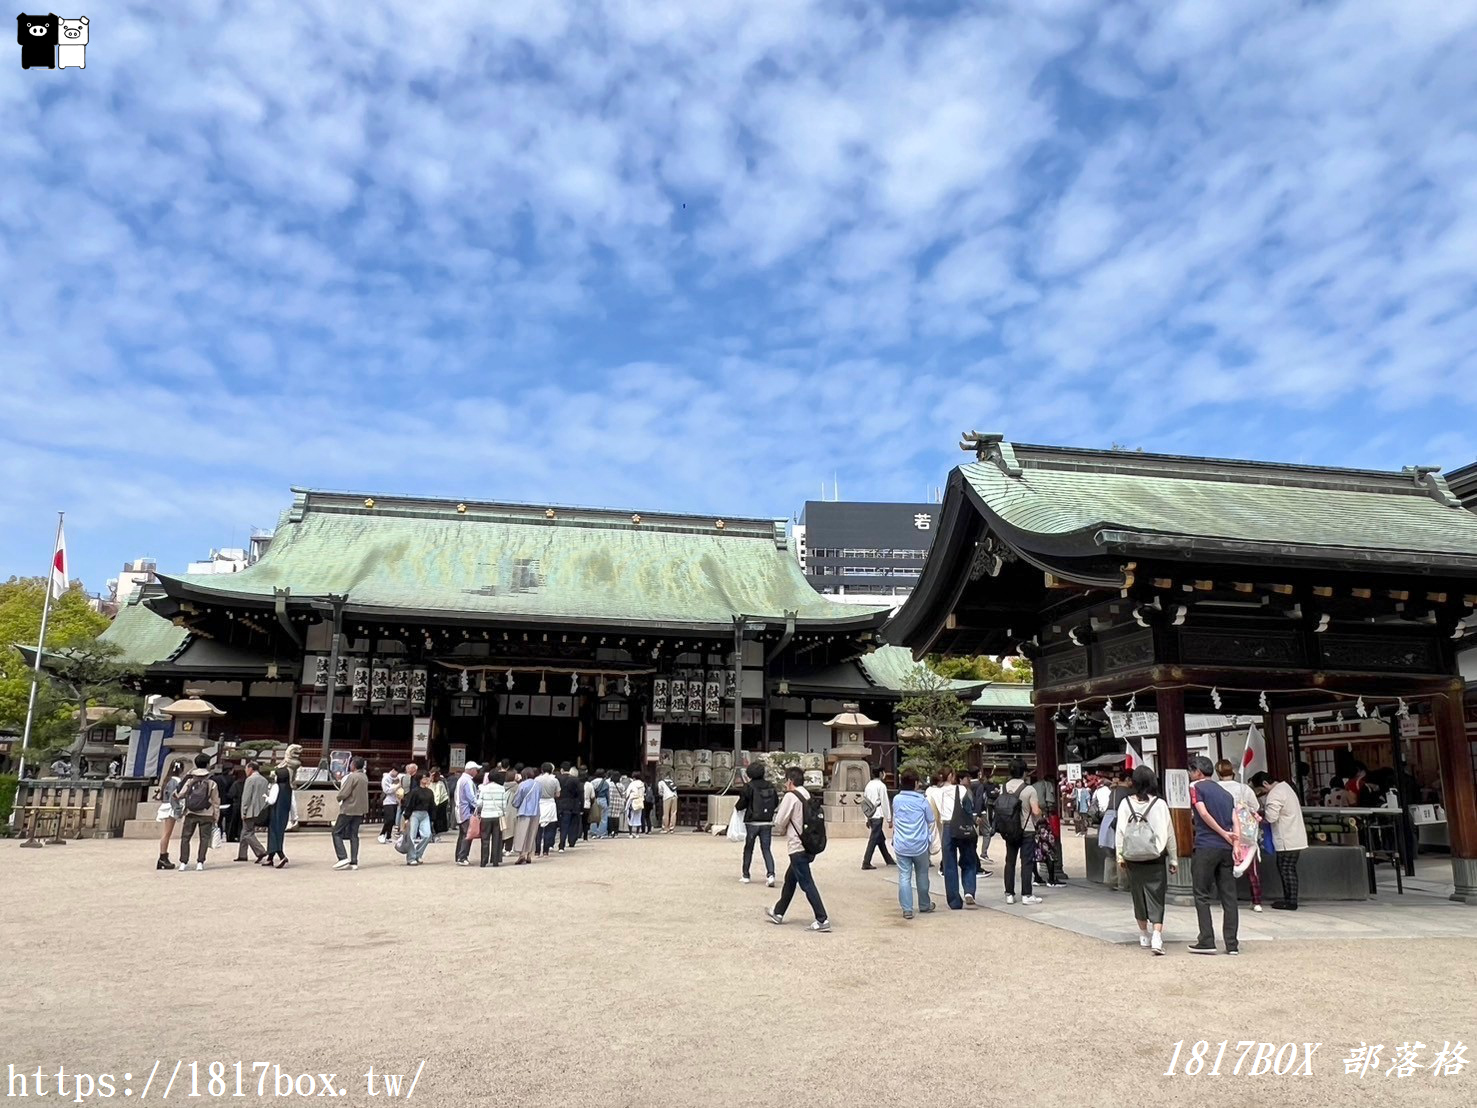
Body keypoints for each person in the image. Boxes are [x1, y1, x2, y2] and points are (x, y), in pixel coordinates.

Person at [1116, 766, 1175, 955]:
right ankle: (1157, 935)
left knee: (1138, 895)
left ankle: (1143, 934)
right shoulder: (1160, 804)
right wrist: (1173, 858)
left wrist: (1120, 855)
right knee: (1157, 895)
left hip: (1132, 856)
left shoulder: (1125, 803)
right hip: (1155, 855)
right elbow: (1169, 833)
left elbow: (1120, 831)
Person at [765, 767, 830, 932]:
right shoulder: (807, 795)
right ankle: (778, 912)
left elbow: (780, 821)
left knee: (806, 883)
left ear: (789, 781)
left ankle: (822, 918)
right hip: (809, 844)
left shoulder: (791, 796)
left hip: (797, 845)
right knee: (790, 879)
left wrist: (780, 829)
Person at [1188, 755, 1239, 955]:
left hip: (1206, 845)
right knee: (1229, 896)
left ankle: (1207, 939)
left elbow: (1203, 813)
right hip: (1226, 849)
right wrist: (1234, 842)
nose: (1190, 775)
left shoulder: (1196, 787)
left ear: (1198, 772)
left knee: (1201, 894)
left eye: (1191, 771)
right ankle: (1232, 943)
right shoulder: (1225, 793)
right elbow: (1236, 819)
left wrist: (1221, 832)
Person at [1251, 771, 1308, 911]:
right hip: (1295, 836)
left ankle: (1291, 901)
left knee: (1286, 869)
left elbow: (1271, 818)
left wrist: (1259, 816)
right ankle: (1289, 899)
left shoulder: (1275, 794)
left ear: (1265, 783)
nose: (1261, 792)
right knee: (1289, 868)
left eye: (1261, 789)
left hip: (1286, 838)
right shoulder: (1285, 787)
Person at [1215, 758, 1263, 911]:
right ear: (1233, 772)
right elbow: (1255, 806)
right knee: (1252, 869)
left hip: (1224, 831)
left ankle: (1227, 901)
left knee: (1224, 869)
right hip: (1245, 833)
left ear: (1217, 772)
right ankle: (1256, 901)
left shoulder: (1214, 788)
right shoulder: (1244, 789)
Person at [891, 770, 936, 919]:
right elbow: (930, 820)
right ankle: (924, 905)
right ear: (916, 784)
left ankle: (907, 909)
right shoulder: (922, 800)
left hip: (902, 843)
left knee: (904, 876)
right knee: (922, 874)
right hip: (920, 844)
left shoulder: (897, 799)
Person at [999, 759, 1043, 906]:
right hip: (1026, 829)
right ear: (1024, 772)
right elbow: (1036, 811)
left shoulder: (1003, 788)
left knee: (1010, 862)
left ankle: (1009, 894)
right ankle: (1026, 894)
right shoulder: (1029, 789)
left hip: (1009, 830)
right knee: (1026, 862)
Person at [938, 769, 982, 909]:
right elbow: (969, 809)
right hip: (962, 826)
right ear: (950, 776)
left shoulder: (935, 792)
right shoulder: (962, 789)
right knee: (968, 860)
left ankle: (954, 901)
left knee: (949, 864)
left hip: (947, 826)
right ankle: (969, 890)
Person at [735, 762, 778, 886]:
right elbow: (775, 802)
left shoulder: (748, 787)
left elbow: (742, 802)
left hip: (752, 821)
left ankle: (746, 874)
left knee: (748, 848)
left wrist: (737, 808)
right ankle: (771, 874)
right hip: (767, 821)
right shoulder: (770, 786)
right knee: (766, 849)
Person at [175, 753, 220, 872]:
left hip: (191, 812)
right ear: (207, 764)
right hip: (206, 813)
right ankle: (200, 862)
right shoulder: (211, 783)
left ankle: (183, 862)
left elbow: (181, 794)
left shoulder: (190, 780)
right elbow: (216, 801)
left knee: (186, 838)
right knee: (204, 838)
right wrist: (216, 816)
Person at [332, 755, 369, 871]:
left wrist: (339, 798)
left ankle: (342, 857)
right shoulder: (364, 777)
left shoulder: (352, 777)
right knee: (354, 834)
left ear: (353, 765)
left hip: (348, 808)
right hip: (360, 809)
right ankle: (354, 861)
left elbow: (344, 792)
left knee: (336, 832)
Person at [153, 759, 186, 870]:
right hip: (171, 807)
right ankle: (163, 857)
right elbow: (174, 797)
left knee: (166, 833)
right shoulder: (176, 781)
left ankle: (163, 857)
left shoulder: (168, 779)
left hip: (166, 805)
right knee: (166, 834)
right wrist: (178, 810)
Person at [861, 764, 894, 870]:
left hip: (870, 815)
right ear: (880, 773)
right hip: (877, 814)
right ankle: (866, 861)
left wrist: (866, 818)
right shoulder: (881, 786)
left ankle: (888, 859)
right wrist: (889, 818)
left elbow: (865, 803)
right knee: (873, 839)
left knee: (880, 839)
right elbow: (885, 802)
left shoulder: (868, 785)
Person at [235, 760, 269, 864]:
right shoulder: (264, 780)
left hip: (251, 809)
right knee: (245, 831)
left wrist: (243, 811)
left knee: (247, 833)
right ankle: (242, 854)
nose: (245, 770)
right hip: (261, 809)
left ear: (250, 769)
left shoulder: (250, 780)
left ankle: (260, 851)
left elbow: (246, 798)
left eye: (246, 768)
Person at [402, 772, 436, 865]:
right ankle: (411, 857)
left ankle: (418, 853)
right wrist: (406, 817)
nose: (427, 779)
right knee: (412, 836)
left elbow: (432, 806)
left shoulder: (430, 792)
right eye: (424, 778)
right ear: (420, 779)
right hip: (415, 814)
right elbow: (409, 804)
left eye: (427, 778)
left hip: (425, 814)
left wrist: (433, 818)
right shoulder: (414, 791)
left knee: (427, 835)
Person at [264, 765, 294, 869]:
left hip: (275, 812)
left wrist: (266, 797)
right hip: (284, 814)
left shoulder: (276, 787)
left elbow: (272, 800)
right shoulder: (289, 788)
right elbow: (293, 804)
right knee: (279, 834)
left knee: (273, 835)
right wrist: (294, 817)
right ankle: (270, 858)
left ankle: (282, 856)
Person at [510, 768, 541, 865]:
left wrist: (515, 804)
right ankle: (529, 854)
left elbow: (517, 800)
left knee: (522, 833)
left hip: (524, 811)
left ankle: (522, 854)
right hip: (536, 811)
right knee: (532, 833)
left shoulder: (522, 785)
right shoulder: (538, 785)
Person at [478, 769, 508, 868]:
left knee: (485, 839)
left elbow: (479, 804)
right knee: (496, 839)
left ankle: (483, 861)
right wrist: (503, 813)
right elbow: (504, 805)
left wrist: (479, 811)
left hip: (486, 816)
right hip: (497, 816)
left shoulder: (484, 788)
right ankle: (495, 861)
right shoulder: (501, 789)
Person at [453, 761, 481, 866]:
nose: (477, 772)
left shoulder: (461, 779)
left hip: (460, 810)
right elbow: (471, 798)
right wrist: (479, 805)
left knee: (462, 834)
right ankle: (462, 857)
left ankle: (459, 855)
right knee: (468, 834)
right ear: (471, 770)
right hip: (466, 812)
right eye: (476, 770)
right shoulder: (467, 781)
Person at [556, 762, 582, 852]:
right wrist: (580, 805)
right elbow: (580, 793)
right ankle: (571, 841)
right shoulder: (574, 780)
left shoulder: (557, 779)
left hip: (560, 803)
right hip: (572, 804)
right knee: (572, 824)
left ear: (561, 770)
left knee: (562, 825)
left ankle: (561, 844)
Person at [536, 763, 560, 856]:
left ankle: (537, 850)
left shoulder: (537, 779)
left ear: (541, 770)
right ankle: (546, 850)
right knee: (549, 828)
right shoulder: (554, 780)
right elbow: (558, 794)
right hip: (550, 803)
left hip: (540, 803)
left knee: (538, 829)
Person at [378, 766, 399, 843]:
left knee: (392, 820)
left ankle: (388, 836)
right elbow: (386, 790)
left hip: (394, 801)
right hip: (387, 801)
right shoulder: (386, 778)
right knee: (389, 819)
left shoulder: (397, 779)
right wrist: (396, 787)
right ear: (393, 770)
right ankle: (382, 833)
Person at [430, 769, 451, 841]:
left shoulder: (440, 784)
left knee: (438, 819)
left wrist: (435, 804)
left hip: (440, 802)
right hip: (435, 802)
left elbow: (437, 795)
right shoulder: (431, 783)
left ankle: (436, 834)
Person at [625, 773, 647, 838]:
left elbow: (627, 792)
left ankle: (630, 834)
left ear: (634, 778)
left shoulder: (632, 784)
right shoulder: (642, 784)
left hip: (632, 801)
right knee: (638, 817)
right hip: (640, 801)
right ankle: (637, 834)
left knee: (630, 817)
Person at [589, 769, 608, 839]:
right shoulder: (605, 783)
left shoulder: (592, 782)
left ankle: (593, 833)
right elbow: (607, 794)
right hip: (603, 799)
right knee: (603, 818)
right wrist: (608, 803)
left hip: (595, 800)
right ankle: (602, 833)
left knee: (594, 817)